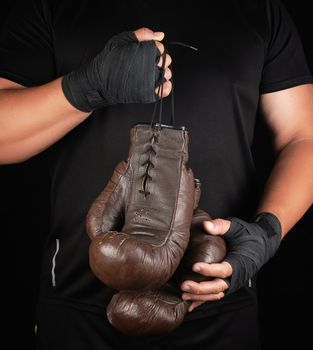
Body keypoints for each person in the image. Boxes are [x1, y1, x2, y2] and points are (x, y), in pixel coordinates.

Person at [0, 0, 312, 349]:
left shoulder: (260, 10)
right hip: (77, 307)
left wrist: (268, 231)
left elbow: (304, 137)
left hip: (219, 303)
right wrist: (87, 86)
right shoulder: (50, 7)